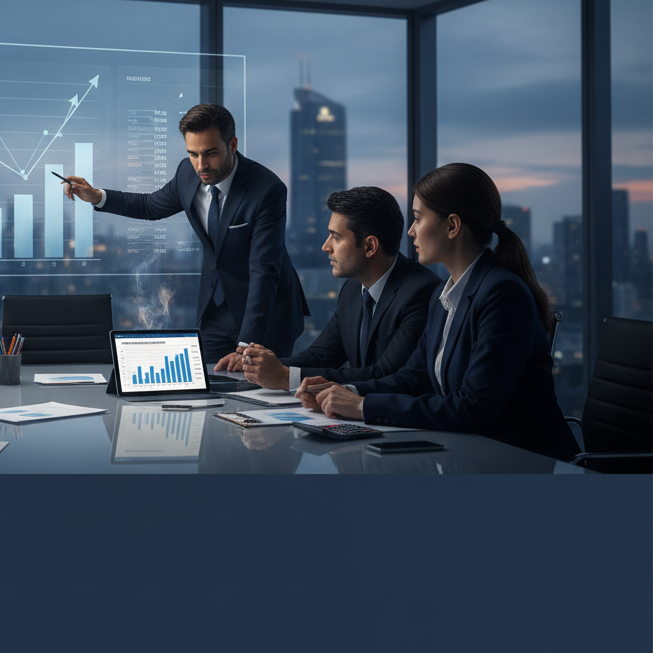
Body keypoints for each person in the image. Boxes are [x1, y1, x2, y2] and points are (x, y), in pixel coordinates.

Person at [299, 163, 579, 462]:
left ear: (452, 226)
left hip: (521, 462)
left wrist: (361, 406)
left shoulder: (502, 295)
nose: (410, 230)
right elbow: (412, 377)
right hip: (465, 454)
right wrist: (346, 389)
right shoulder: (443, 295)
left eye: (418, 218)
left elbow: (471, 408)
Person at [63, 104, 308, 362]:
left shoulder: (267, 190)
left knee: (260, 395)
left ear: (233, 145)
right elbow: (149, 205)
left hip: (265, 316)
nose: (201, 165)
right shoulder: (187, 174)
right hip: (216, 311)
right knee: (209, 387)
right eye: (193, 154)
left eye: (210, 153)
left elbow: (263, 271)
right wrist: (96, 196)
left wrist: (246, 345)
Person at [214, 186, 440, 392]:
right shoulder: (353, 289)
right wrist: (259, 364)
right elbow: (322, 355)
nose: (325, 247)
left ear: (370, 246)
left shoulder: (421, 293)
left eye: (336, 237)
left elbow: (387, 374)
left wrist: (287, 378)